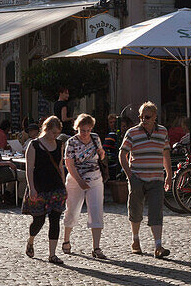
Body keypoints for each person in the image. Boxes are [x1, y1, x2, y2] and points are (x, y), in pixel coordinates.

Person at [119, 100, 173, 258]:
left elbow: (166, 154)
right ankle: (135, 240)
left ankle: (158, 246)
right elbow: (122, 154)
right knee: (135, 211)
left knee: (156, 212)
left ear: (155, 116)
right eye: (141, 116)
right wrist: (130, 176)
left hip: (156, 178)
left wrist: (169, 175)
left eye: (147, 116)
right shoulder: (132, 132)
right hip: (138, 177)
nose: (144, 119)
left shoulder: (162, 132)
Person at [23, 116, 67, 264]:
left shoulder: (60, 144)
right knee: (39, 220)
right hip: (39, 186)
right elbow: (29, 168)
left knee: (55, 219)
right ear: (46, 129)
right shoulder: (34, 145)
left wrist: (64, 184)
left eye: (57, 133)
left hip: (56, 187)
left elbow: (60, 166)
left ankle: (52, 254)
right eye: (52, 132)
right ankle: (31, 240)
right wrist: (31, 188)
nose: (54, 136)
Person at [62, 113, 107, 259]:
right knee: (72, 209)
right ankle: (66, 240)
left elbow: (101, 156)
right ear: (77, 128)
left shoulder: (95, 138)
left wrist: (101, 153)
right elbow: (69, 163)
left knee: (96, 211)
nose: (85, 134)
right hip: (76, 180)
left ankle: (96, 247)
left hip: (95, 178)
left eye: (88, 130)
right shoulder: (72, 142)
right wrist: (80, 181)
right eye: (83, 130)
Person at [103, 115, 128, 180]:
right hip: (114, 168)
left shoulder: (123, 137)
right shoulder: (112, 136)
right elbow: (106, 152)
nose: (125, 128)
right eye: (123, 126)